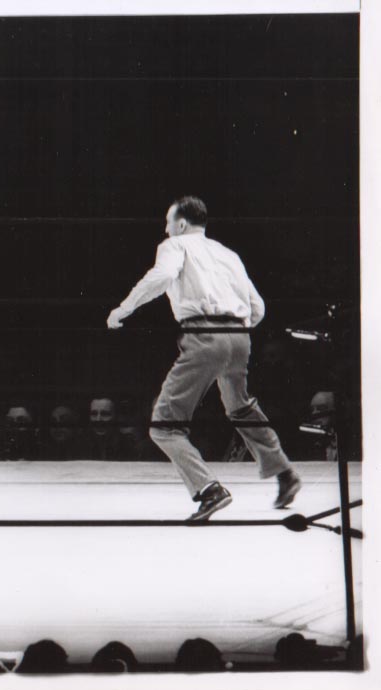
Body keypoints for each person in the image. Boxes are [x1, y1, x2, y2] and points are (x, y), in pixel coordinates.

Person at [107, 196, 301, 520]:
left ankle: (209, 489)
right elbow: (258, 307)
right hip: (239, 337)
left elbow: (161, 277)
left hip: (205, 336)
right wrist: (233, 331)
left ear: (181, 224)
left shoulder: (175, 245)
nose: (165, 228)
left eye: (168, 222)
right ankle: (284, 473)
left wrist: (123, 310)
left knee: (164, 425)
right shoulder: (227, 254)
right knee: (240, 407)